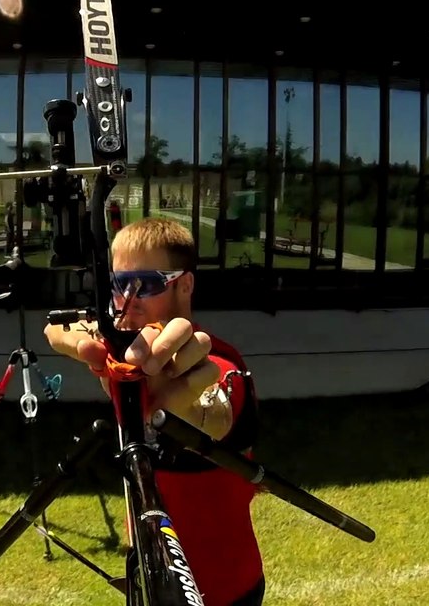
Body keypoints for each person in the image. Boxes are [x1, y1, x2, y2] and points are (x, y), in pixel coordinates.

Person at [43, 216, 265, 606]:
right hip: (147, 575)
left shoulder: (222, 362)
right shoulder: (120, 351)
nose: (127, 301)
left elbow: (214, 406)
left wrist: (178, 400)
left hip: (224, 588)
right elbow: (57, 327)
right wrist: (76, 338)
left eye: (145, 284)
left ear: (185, 285)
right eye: (117, 285)